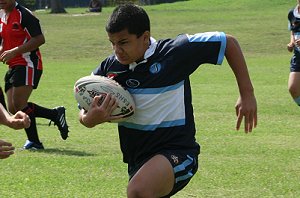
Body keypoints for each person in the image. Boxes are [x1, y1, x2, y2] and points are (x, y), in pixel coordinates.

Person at [78, 4, 258, 197]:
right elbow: (83, 103)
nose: (117, 50)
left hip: (178, 153)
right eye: (112, 43)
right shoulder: (110, 68)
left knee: (138, 191)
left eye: (123, 42)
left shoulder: (174, 52)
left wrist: (246, 94)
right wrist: (89, 119)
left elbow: (228, 42)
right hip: (137, 160)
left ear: (145, 37)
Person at [0, 0, 69, 150]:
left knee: (19, 103)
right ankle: (55, 114)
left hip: (28, 63)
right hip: (13, 65)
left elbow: (39, 39)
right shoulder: (2, 14)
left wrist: (14, 51)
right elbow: (3, 39)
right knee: (13, 109)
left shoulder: (24, 15)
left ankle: (35, 142)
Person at [287, 0, 300, 107]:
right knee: (293, 88)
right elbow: (293, 30)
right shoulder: (292, 13)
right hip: (298, 57)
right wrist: (291, 43)